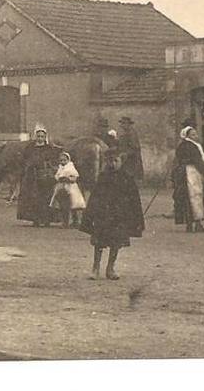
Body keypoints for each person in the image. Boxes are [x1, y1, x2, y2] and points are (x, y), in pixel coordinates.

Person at [80, 149, 145, 280]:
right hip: (103, 215)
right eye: (110, 161)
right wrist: (91, 214)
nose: (113, 163)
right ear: (106, 162)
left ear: (121, 161)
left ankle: (110, 268)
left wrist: (136, 216)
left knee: (116, 242)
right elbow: (95, 197)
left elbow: (134, 199)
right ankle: (95, 268)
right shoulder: (103, 177)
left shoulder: (127, 178)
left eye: (116, 160)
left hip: (119, 216)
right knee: (99, 242)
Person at [17, 127, 64, 227]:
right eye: (38, 136)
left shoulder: (49, 148)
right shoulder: (30, 148)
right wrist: (28, 165)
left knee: (47, 198)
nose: (40, 138)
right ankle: (36, 220)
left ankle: (47, 220)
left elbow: (55, 160)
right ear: (35, 137)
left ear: (45, 137)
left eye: (42, 137)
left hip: (46, 177)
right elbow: (24, 160)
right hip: (32, 177)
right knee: (34, 199)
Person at [173, 126, 204, 233]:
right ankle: (198, 223)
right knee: (195, 196)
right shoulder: (194, 146)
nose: (195, 136)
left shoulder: (181, 146)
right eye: (193, 134)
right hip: (193, 172)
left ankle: (189, 224)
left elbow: (178, 159)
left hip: (183, 173)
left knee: (185, 197)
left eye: (195, 134)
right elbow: (199, 161)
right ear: (187, 136)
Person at [52, 151, 86, 228]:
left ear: (68, 160)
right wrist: (58, 178)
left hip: (71, 188)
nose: (63, 162)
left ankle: (75, 221)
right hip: (61, 187)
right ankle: (65, 222)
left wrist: (69, 179)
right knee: (63, 206)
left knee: (73, 205)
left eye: (65, 160)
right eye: (61, 160)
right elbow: (57, 175)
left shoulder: (71, 167)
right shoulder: (60, 168)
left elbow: (75, 176)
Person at [117, 116, 144, 182]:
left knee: (130, 179)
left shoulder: (132, 134)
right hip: (125, 160)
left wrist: (125, 153)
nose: (122, 125)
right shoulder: (124, 133)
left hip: (131, 161)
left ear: (128, 124)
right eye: (121, 123)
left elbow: (135, 148)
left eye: (124, 123)